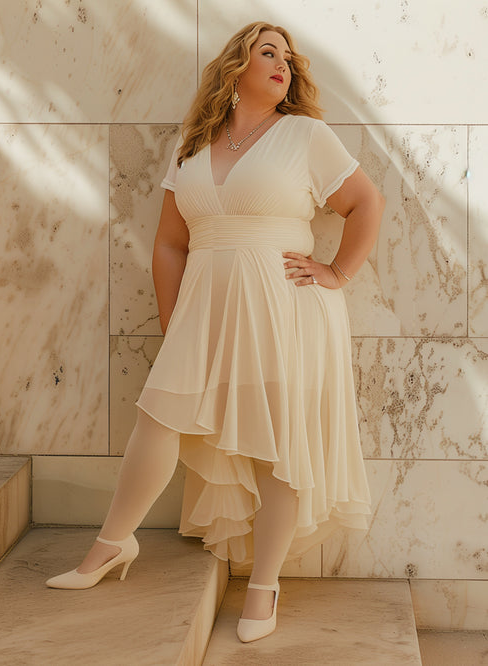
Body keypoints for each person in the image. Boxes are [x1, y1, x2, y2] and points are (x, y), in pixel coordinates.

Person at [46, 21, 385, 643]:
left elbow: (367, 202)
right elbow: (170, 245)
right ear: (236, 67)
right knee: (159, 420)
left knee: (278, 442)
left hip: (284, 306)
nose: (282, 64)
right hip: (204, 306)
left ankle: (264, 586)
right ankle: (111, 546)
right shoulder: (194, 144)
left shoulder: (306, 135)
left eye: (287, 57)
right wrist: (174, 322)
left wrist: (337, 270)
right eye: (267, 53)